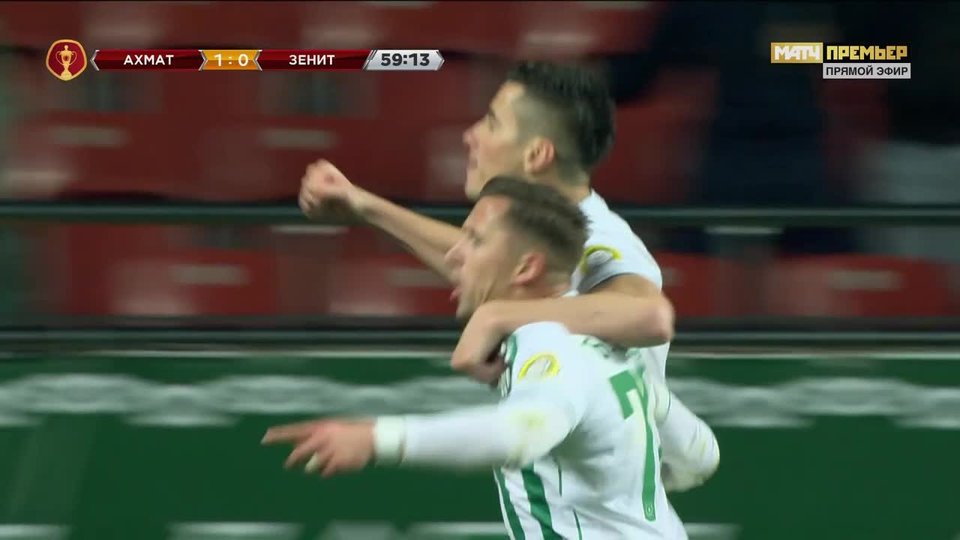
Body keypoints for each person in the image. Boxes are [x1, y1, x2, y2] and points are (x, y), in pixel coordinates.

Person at [299, 60, 716, 492]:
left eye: (492, 123)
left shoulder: (602, 242)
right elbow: (477, 262)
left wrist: (495, 316)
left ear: (536, 155)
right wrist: (363, 206)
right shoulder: (549, 234)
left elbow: (650, 315)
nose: (471, 135)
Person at [265, 177, 718, 539]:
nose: (455, 253)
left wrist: (376, 438)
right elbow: (701, 456)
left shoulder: (547, 344)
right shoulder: (606, 345)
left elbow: (523, 433)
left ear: (526, 267)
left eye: (475, 240)